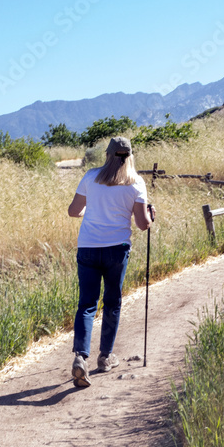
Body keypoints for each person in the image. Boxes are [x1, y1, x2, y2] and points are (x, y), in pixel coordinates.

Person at [67, 136, 155, 388]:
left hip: (88, 247)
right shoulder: (136, 183)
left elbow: (74, 211)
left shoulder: (91, 177)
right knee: (113, 302)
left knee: (87, 303)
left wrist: (89, 210)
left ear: (107, 154)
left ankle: (80, 357)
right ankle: (105, 357)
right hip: (117, 249)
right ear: (129, 156)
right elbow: (141, 224)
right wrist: (150, 215)